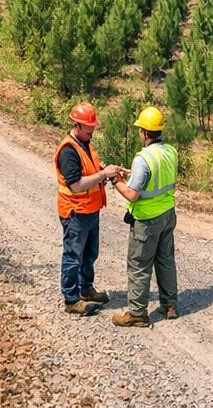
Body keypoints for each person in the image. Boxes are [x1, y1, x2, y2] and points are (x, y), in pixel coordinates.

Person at [110, 106, 179, 327]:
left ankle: (137, 313)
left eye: (140, 129)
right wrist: (132, 175)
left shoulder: (143, 159)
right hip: (167, 214)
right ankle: (169, 305)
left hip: (147, 220)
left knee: (139, 264)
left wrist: (116, 180)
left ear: (145, 133)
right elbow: (158, 178)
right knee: (165, 260)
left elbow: (132, 193)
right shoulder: (170, 151)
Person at [54, 102, 123, 315]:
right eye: (88, 128)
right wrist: (102, 175)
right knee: (73, 255)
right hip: (76, 212)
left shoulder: (85, 142)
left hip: (91, 210)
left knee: (90, 253)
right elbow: (76, 185)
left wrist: (107, 170)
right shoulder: (68, 150)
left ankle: (86, 289)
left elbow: (91, 168)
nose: (92, 131)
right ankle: (72, 299)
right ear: (76, 125)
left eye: (93, 127)